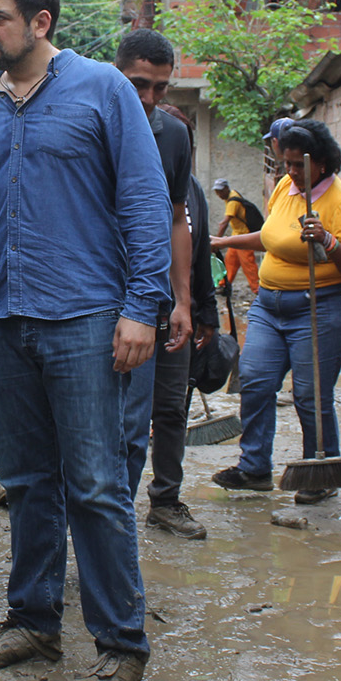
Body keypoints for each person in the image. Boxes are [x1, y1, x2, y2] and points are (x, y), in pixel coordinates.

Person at [0, 0, 169, 681]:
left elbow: (146, 204)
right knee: (27, 482)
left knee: (94, 484)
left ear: (40, 22)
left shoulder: (103, 90)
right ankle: (32, 620)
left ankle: (121, 642)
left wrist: (142, 308)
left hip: (86, 319)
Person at [211, 120, 341, 504]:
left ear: (322, 163)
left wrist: (328, 241)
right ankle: (254, 469)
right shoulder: (286, 187)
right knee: (255, 380)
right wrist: (223, 240)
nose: (292, 172)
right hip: (269, 305)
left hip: (322, 307)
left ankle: (321, 469)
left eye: (299, 164)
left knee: (309, 393)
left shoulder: (340, 201)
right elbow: (271, 237)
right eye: (287, 163)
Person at [114, 30, 208, 540]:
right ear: (116, 75)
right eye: (138, 85)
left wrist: (183, 300)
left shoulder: (172, 135)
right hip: (96, 297)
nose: (149, 99)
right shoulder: (89, 121)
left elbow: (178, 220)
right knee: (99, 425)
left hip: (153, 299)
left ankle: (128, 520)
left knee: (147, 420)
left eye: (160, 89)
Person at [214, 178, 260, 298]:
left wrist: (217, 242)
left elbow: (224, 223)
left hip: (243, 238)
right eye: (216, 192)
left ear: (226, 189)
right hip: (236, 237)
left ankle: (258, 289)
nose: (218, 194)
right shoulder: (232, 194)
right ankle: (224, 285)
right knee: (230, 262)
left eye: (220, 191)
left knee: (248, 265)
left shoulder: (232, 202)